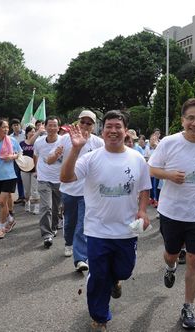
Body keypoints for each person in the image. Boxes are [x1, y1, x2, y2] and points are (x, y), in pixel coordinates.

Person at [60, 110, 151, 331]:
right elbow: (65, 177)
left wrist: (142, 211)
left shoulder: (137, 158)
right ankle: (100, 317)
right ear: (103, 130)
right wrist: (76, 148)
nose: (112, 130)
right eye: (108, 126)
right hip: (97, 229)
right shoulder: (90, 158)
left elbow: (144, 188)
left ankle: (116, 280)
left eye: (117, 126)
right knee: (98, 276)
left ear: (125, 130)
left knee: (124, 270)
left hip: (126, 230)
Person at [149, 98, 195, 329]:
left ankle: (188, 306)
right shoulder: (169, 143)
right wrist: (169, 175)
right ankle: (170, 267)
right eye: (190, 118)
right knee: (171, 254)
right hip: (171, 211)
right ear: (182, 120)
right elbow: (150, 168)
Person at [49, 110, 103, 272]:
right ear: (77, 123)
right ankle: (68, 242)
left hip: (89, 192)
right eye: (83, 122)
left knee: (83, 224)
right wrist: (56, 155)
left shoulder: (98, 143)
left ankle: (80, 258)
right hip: (69, 189)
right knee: (70, 221)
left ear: (94, 126)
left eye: (89, 123)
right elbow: (50, 159)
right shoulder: (66, 139)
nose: (85, 126)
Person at [34, 116, 62, 248]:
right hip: (44, 178)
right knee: (46, 207)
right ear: (45, 127)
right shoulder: (39, 142)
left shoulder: (63, 141)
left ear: (58, 127)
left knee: (56, 208)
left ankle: (54, 226)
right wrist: (36, 171)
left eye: (54, 125)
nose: (52, 128)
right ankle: (47, 235)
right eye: (49, 125)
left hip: (59, 179)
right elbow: (36, 156)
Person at [20, 125, 40, 214]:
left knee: (35, 189)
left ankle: (36, 207)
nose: (32, 133)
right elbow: (19, 156)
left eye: (34, 131)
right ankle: (27, 202)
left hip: (35, 169)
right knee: (27, 190)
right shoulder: (22, 144)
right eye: (31, 131)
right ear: (27, 133)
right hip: (24, 169)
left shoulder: (37, 142)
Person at [9, 118, 26, 205]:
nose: (16, 127)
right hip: (15, 160)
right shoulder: (10, 137)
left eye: (17, 125)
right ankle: (21, 196)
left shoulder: (25, 134)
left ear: (20, 125)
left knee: (26, 178)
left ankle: (27, 197)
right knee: (18, 178)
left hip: (25, 159)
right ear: (11, 127)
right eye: (14, 125)